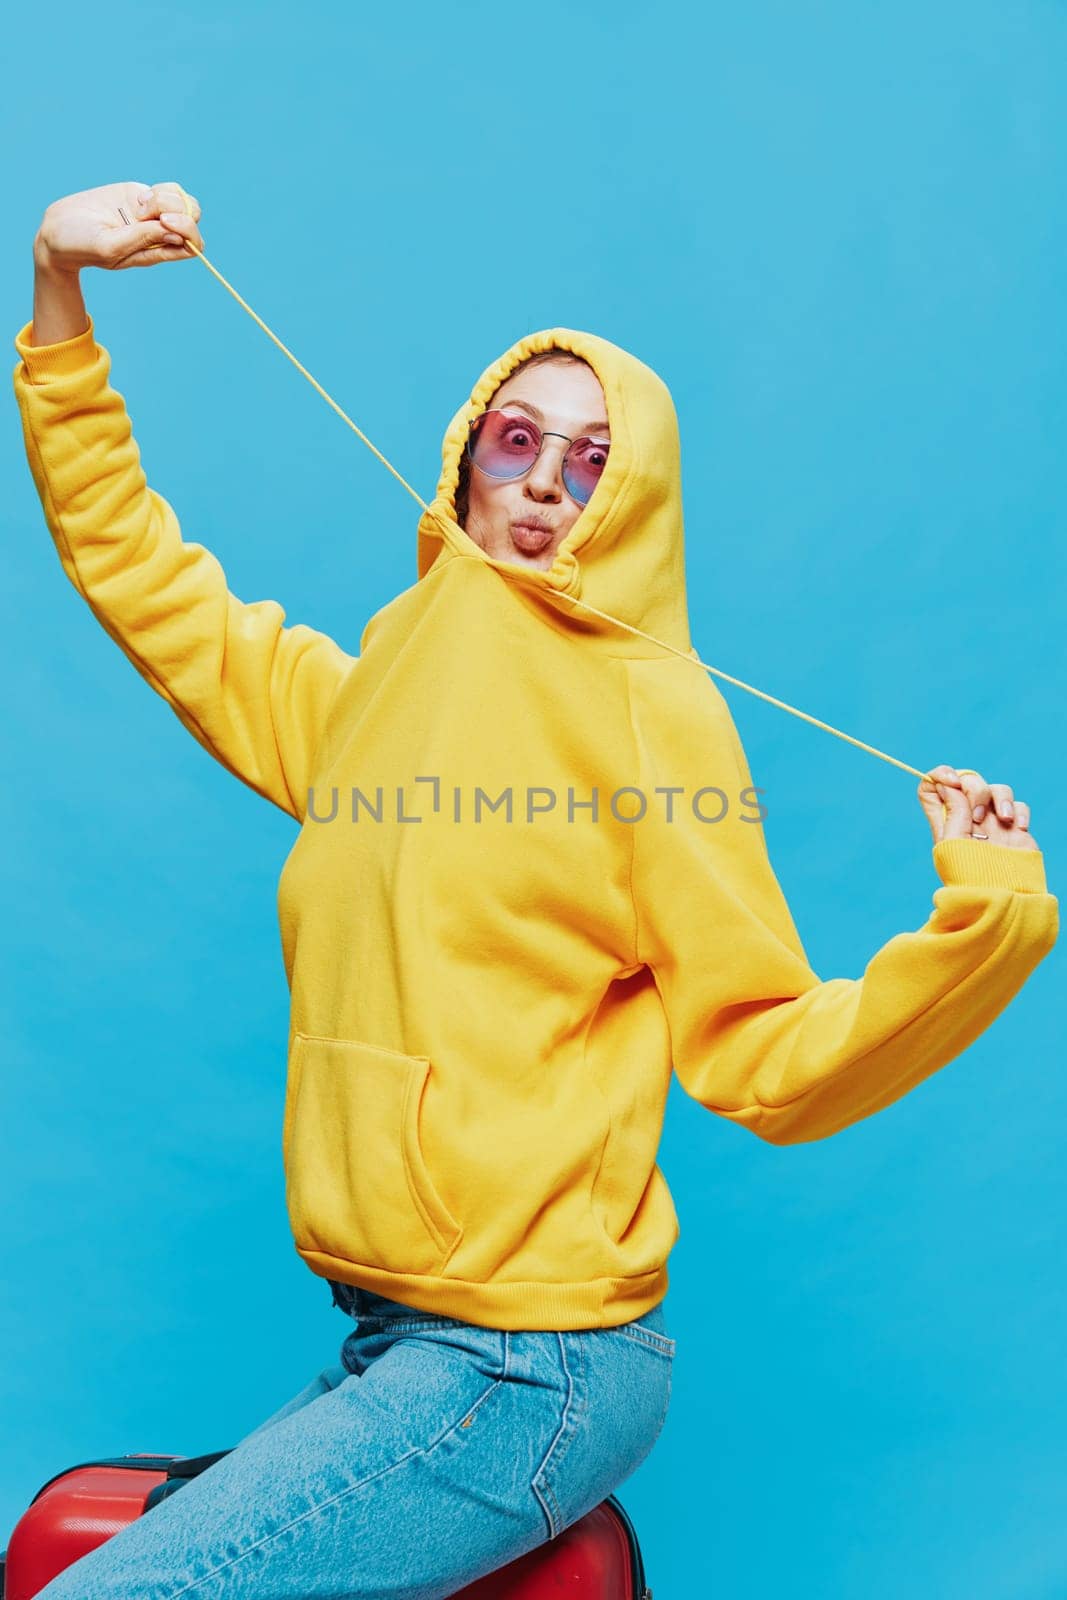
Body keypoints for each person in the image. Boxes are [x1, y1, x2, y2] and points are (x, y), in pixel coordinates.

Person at [13, 179, 1057, 1600]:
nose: (548, 482)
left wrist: (985, 922)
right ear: (465, 456)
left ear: (635, 498)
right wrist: (60, 297)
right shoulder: (388, 682)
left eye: (593, 460)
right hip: (394, 1334)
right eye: (520, 440)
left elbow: (765, 1053)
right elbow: (152, 584)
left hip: (532, 1368)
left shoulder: (652, 715)